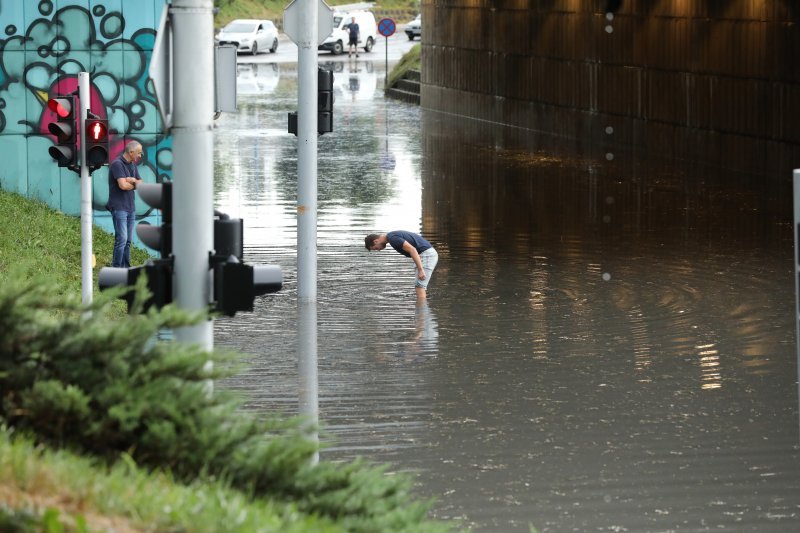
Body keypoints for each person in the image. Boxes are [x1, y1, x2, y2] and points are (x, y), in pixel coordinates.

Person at [365, 231, 439, 301]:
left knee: (420, 286)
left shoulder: (393, 238)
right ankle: (422, 310)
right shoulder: (392, 237)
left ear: (375, 241)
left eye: (375, 248)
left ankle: (421, 312)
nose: (378, 250)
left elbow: (412, 250)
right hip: (426, 254)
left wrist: (420, 269)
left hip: (426, 255)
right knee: (420, 285)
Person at [107, 141, 143, 267]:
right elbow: (122, 185)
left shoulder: (132, 165)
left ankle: (126, 268)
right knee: (121, 240)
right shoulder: (117, 164)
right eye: (138, 153)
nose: (140, 155)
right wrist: (135, 184)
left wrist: (132, 180)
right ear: (131, 152)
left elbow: (141, 183)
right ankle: (116, 269)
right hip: (119, 207)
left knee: (127, 241)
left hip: (130, 208)